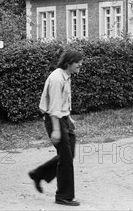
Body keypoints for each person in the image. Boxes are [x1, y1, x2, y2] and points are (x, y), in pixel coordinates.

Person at [28, 49, 83, 207]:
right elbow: (53, 108)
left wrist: (68, 117)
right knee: (66, 158)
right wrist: (57, 130)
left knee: (68, 154)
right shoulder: (57, 79)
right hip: (55, 120)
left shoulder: (66, 76)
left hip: (62, 118)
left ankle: (38, 174)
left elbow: (62, 101)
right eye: (77, 62)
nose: (80, 64)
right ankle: (63, 196)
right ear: (68, 63)